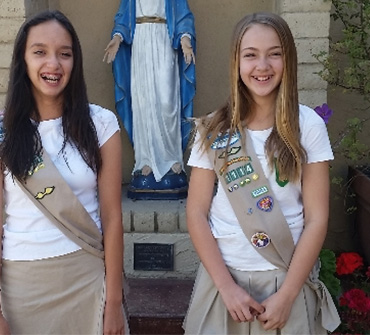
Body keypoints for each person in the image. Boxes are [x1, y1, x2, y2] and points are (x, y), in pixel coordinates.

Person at [183, 12, 340, 334]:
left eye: (275, 54)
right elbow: (196, 213)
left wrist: (288, 295)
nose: (262, 66)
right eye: (250, 55)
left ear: (288, 60)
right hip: (225, 281)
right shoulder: (213, 129)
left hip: (286, 277)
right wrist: (227, 288)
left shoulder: (307, 125)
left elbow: (317, 219)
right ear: (236, 62)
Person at [0, 10, 127, 335]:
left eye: (65, 54)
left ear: (76, 62)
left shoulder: (101, 125)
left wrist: (113, 302)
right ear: (23, 60)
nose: (53, 64)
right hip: (22, 285)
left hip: (86, 277)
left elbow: (113, 218)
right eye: (40, 52)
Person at [103, 0, 196, 190]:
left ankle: (172, 160)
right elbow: (123, 18)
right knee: (143, 102)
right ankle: (145, 161)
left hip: (165, 41)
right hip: (140, 43)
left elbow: (183, 17)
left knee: (167, 101)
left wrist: (185, 38)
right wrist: (117, 37)